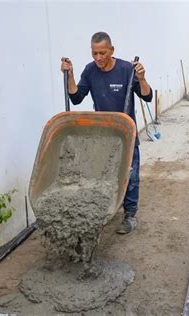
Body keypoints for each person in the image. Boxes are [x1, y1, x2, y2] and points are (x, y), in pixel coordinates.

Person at [60, 32, 153, 234]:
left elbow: (147, 97)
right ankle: (106, 208)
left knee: (132, 175)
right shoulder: (90, 71)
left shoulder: (127, 69)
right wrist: (71, 76)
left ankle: (129, 215)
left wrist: (142, 79)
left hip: (127, 134)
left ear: (112, 50)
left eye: (102, 52)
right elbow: (76, 98)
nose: (98, 58)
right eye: (94, 53)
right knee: (105, 174)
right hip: (103, 135)